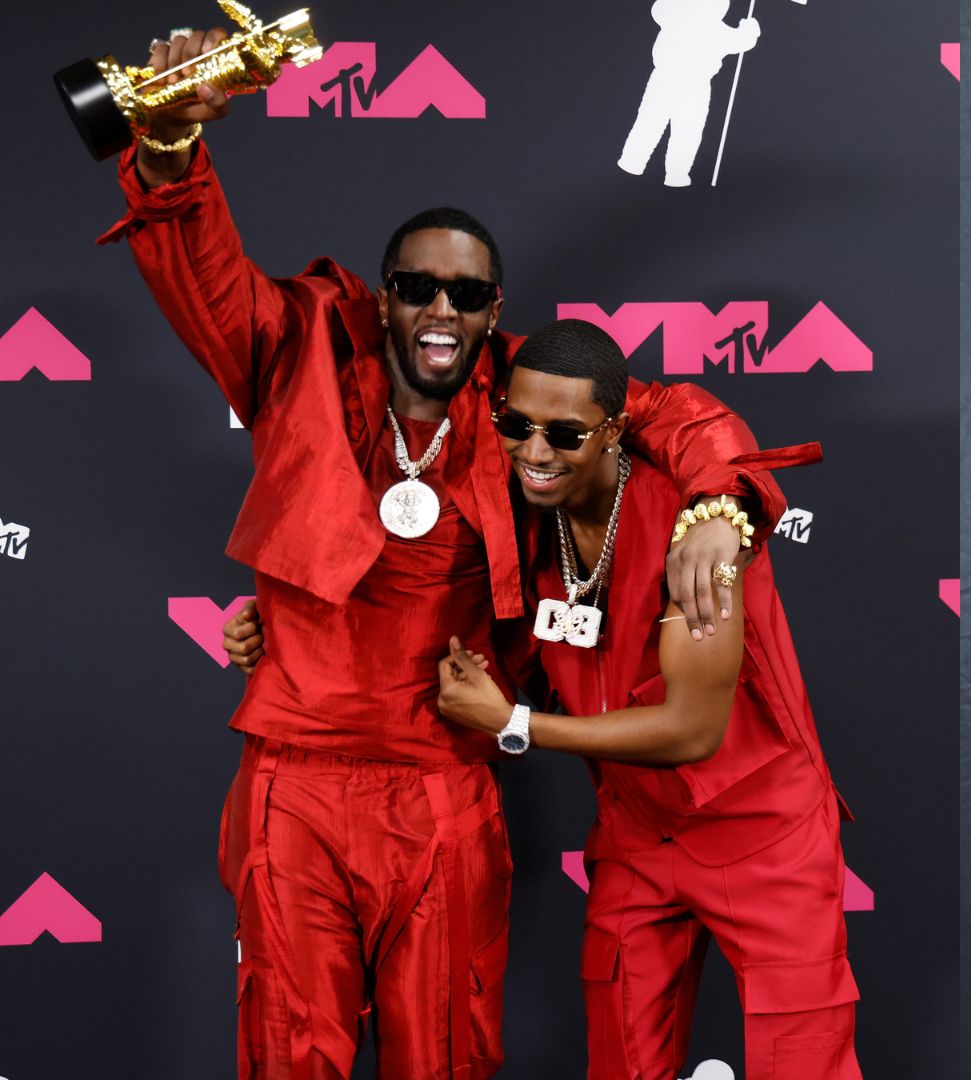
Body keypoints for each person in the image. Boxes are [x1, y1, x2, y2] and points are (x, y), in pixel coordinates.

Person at [106, 28, 779, 1079]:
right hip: (295, 779)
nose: (440, 311)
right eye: (417, 287)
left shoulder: (526, 397)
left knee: (448, 1060)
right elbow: (205, 274)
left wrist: (719, 508)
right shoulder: (294, 353)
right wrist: (167, 150)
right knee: (289, 1054)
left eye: (466, 297)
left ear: (492, 312)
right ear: (384, 297)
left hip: (443, 786)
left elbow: (677, 417)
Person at [426, 320, 859, 1079]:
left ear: (614, 431)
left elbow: (691, 730)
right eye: (515, 426)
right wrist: (281, 626)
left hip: (762, 836)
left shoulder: (695, 531)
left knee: (802, 1065)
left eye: (564, 434)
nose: (534, 452)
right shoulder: (525, 519)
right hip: (634, 839)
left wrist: (518, 724)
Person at [616, 0, 762, 186]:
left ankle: (634, 162)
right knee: (685, 130)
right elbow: (742, 41)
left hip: (671, 79)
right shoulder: (715, 29)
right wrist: (749, 30)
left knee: (653, 122)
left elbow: (658, 9)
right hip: (689, 84)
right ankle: (673, 173)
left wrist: (748, 32)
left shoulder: (675, 15)